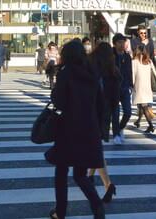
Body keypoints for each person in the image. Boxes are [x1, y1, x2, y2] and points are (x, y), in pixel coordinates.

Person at [45, 40, 105, 219]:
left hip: (68, 129)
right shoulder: (92, 73)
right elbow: (101, 104)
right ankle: (97, 205)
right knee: (80, 174)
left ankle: (60, 211)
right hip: (89, 128)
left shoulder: (66, 73)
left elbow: (59, 101)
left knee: (61, 171)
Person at [88, 42, 119, 203]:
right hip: (104, 115)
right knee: (96, 148)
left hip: (91, 115)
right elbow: (115, 98)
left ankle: (108, 185)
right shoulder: (113, 71)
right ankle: (90, 176)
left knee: (95, 151)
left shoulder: (92, 69)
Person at [112, 33, 133, 143]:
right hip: (113, 88)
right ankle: (116, 135)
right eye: (119, 42)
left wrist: (131, 85)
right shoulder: (110, 56)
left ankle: (120, 128)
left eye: (123, 42)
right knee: (115, 113)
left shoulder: (127, 56)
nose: (122, 45)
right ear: (114, 44)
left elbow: (129, 71)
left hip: (125, 87)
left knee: (128, 112)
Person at [132, 45, 156, 133]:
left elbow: (133, 75)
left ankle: (151, 125)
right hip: (147, 86)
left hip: (139, 86)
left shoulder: (135, 61)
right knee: (142, 105)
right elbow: (155, 73)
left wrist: (132, 85)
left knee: (144, 106)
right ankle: (138, 121)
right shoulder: (148, 61)